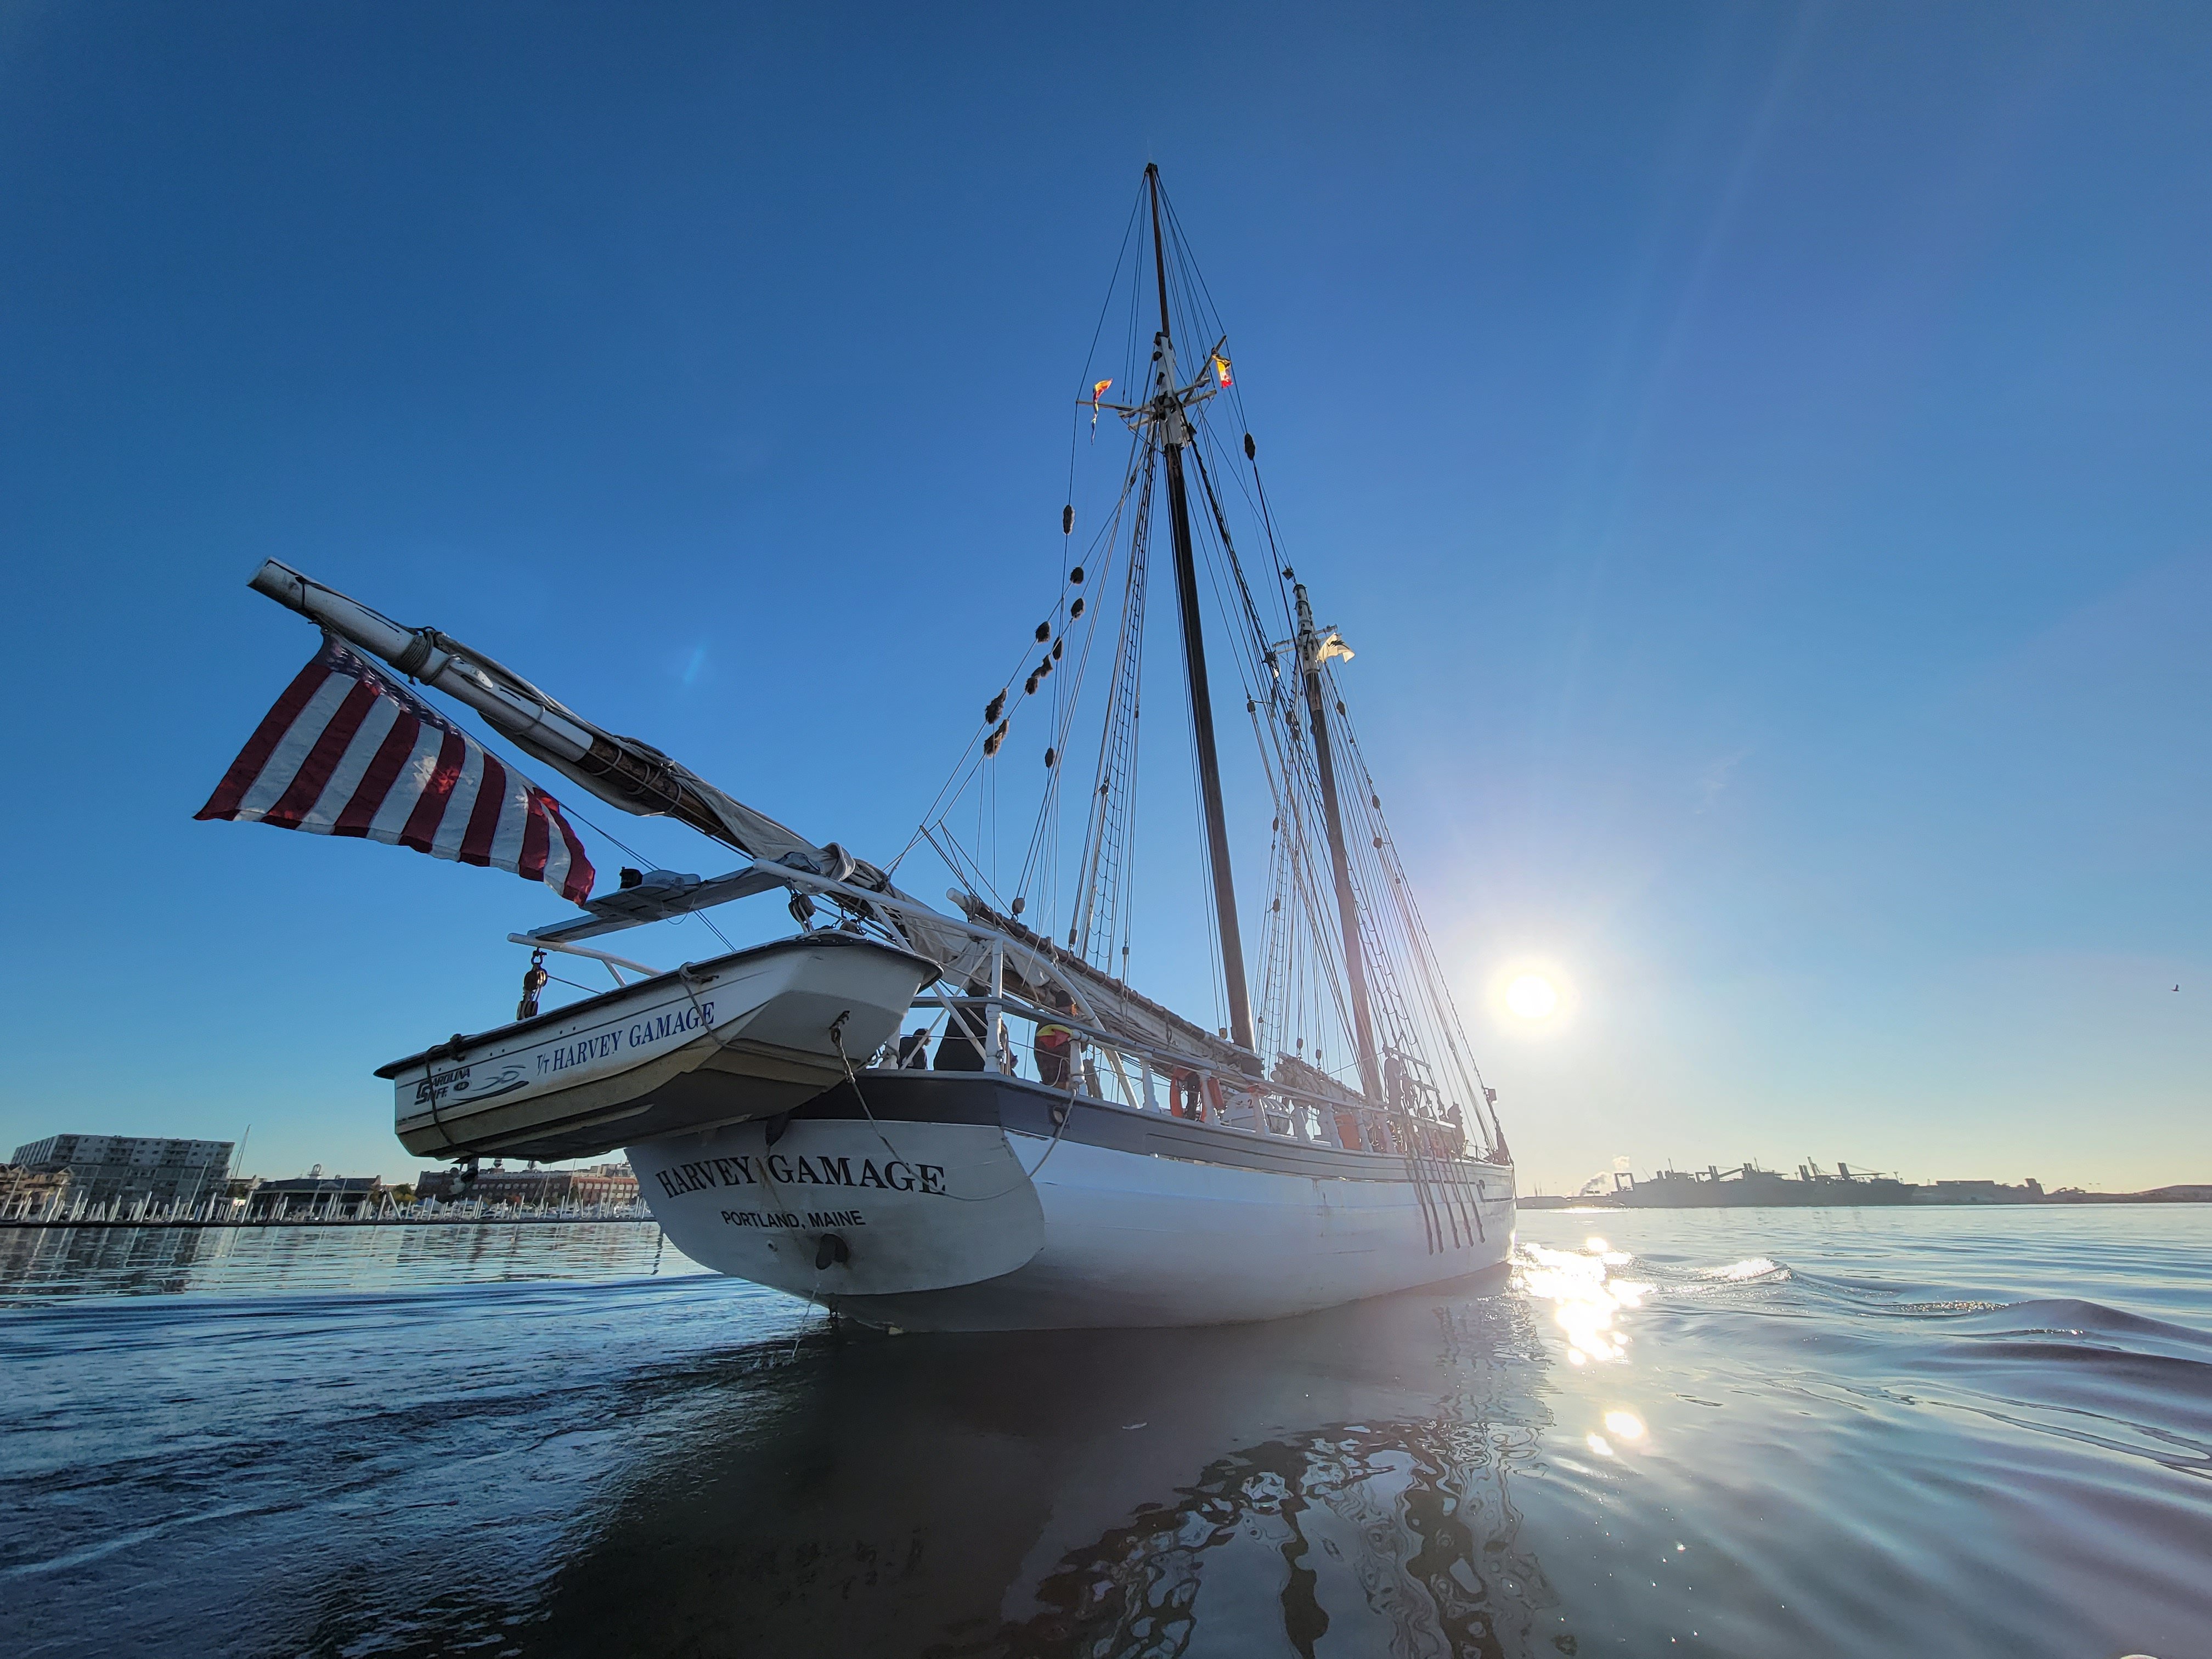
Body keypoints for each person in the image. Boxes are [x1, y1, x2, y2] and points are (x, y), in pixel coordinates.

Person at [933, 979, 990, 1071]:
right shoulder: (987, 1015)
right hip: (972, 1065)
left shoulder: (959, 1007)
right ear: (985, 995)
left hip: (945, 1061)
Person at [1034, 990, 1075, 1090]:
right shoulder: (1069, 1023)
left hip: (1047, 1074)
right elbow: (1081, 1046)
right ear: (1071, 1007)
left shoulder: (1045, 1020)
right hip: (1062, 1075)